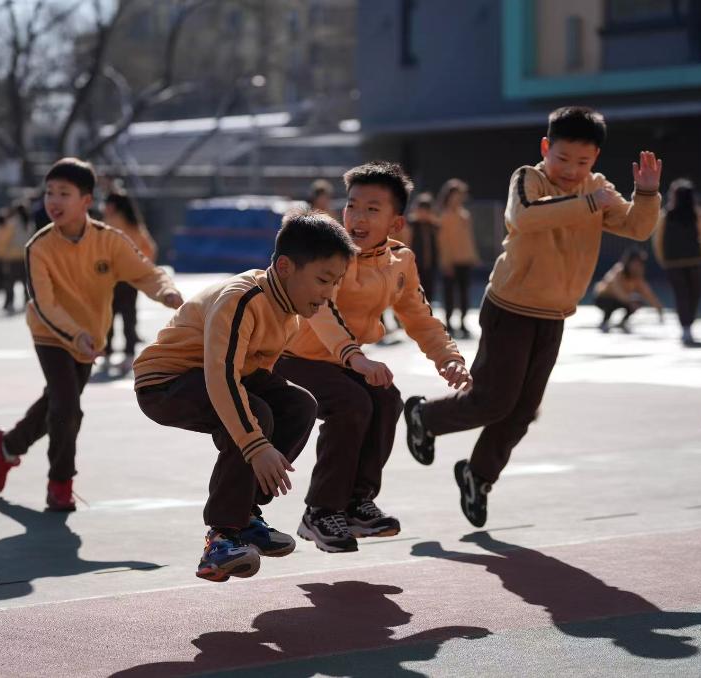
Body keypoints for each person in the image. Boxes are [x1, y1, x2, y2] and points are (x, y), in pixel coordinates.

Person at [404, 106, 663, 527]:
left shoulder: (598, 187)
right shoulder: (528, 178)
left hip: (554, 315)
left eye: (582, 161)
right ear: (546, 148)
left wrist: (646, 194)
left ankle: (478, 475)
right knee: (494, 401)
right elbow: (523, 217)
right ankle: (424, 417)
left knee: (523, 410)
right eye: (563, 158)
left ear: (595, 158)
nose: (571, 170)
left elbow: (636, 228)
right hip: (510, 307)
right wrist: (586, 204)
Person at [133, 210, 356, 582]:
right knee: (255, 417)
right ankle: (221, 537)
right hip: (165, 381)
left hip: (215, 377)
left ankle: (246, 515)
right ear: (285, 267)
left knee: (299, 406)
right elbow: (221, 375)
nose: (329, 293)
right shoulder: (243, 299)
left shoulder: (290, 314)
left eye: (336, 283)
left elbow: (257, 377)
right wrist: (254, 445)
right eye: (322, 279)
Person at [276, 162, 470, 554]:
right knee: (352, 403)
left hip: (341, 360)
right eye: (352, 206)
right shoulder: (327, 251)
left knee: (386, 399)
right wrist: (355, 357)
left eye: (372, 209)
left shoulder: (400, 260)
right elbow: (320, 311)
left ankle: (355, 503)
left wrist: (448, 358)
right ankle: (320, 511)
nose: (358, 217)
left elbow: (418, 316)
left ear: (396, 223)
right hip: (289, 354)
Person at [0, 158, 183, 511]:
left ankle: (7, 447)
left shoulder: (109, 240)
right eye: (49, 192)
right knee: (67, 407)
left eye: (64, 193)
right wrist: (75, 336)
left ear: (87, 201)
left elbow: (145, 272)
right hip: (51, 335)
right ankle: (60, 484)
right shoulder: (38, 247)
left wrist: (165, 291)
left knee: (56, 404)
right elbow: (45, 305)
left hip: (90, 338)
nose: (54, 200)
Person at [101, 191, 159, 374]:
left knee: (108, 317)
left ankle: (107, 353)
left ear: (113, 206)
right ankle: (128, 355)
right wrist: (142, 267)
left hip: (112, 278)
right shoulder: (134, 223)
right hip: (131, 278)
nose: (104, 207)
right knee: (129, 316)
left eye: (107, 203)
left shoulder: (110, 223)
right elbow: (150, 248)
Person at [652, 178, 701, 346]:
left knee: (690, 294)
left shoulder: (695, 214)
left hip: (690, 260)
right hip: (679, 261)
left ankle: (687, 325)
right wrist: (662, 257)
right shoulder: (667, 215)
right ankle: (686, 327)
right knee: (686, 295)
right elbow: (659, 238)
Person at [436, 179, 479, 338]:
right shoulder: (444, 216)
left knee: (464, 294)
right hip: (450, 262)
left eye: (461, 195)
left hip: (465, 260)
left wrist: (473, 256)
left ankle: (462, 323)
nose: (459, 198)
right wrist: (445, 262)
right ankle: (449, 323)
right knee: (449, 295)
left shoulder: (464, 215)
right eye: (456, 195)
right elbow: (442, 242)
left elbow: (469, 238)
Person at [593, 248, 663, 333]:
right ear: (628, 262)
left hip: (622, 299)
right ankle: (605, 322)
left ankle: (623, 322)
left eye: (639, 264)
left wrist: (659, 309)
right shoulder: (618, 271)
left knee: (638, 301)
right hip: (603, 298)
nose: (637, 266)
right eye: (635, 263)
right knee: (612, 302)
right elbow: (617, 291)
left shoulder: (637, 277)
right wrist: (630, 301)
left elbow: (648, 294)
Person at [405, 192, 440, 305]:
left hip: (430, 266)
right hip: (414, 266)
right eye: (421, 210)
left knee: (428, 294)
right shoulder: (411, 225)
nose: (423, 214)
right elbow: (406, 243)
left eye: (426, 210)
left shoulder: (434, 226)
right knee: (413, 294)